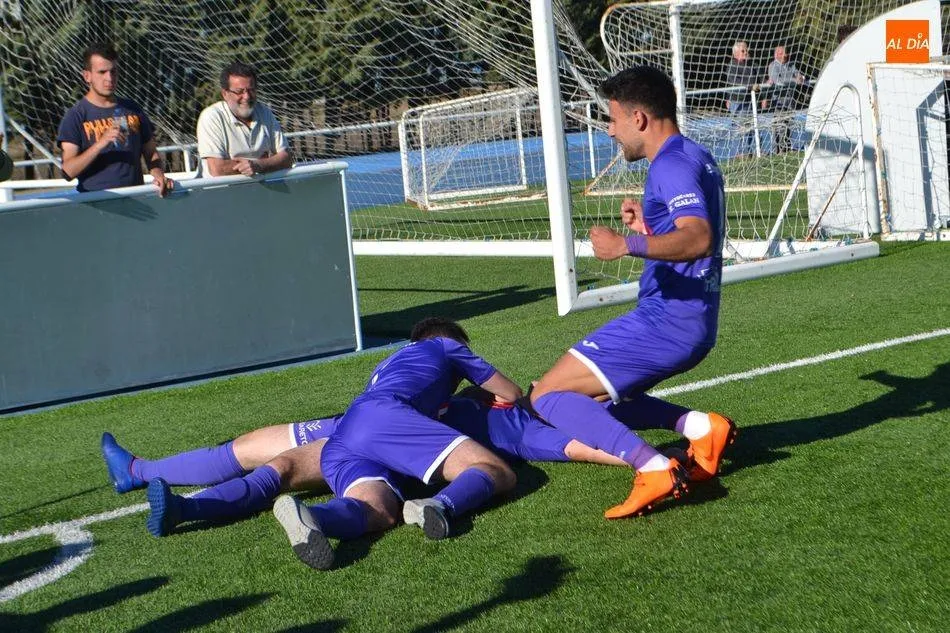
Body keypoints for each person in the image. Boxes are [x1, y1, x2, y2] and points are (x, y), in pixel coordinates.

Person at [528, 65, 736, 521]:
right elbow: (688, 237)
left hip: (668, 321)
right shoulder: (693, 155)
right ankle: (701, 428)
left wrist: (628, 244)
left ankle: (655, 467)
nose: (610, 130)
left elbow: (698, 237)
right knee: (599, 401)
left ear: (639, 119)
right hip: (689, 317)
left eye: (613, 119)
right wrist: (651, 226)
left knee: (548, 396)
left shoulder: (672, 166)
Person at [57, 43, 173, 196]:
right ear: (87, 76)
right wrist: (100, 144)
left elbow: (151, 152)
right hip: (97, 205)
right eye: (102, 72)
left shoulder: (132, 108)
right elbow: (68, 171)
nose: (109, 78)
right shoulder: (75, 116)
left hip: (137, 201)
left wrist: (158, 173)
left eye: (113, 71)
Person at [196, 62, 292, 177]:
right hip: (221, 193)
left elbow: (287, 158)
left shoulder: (265, 112)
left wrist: (257, 165)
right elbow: (217, 169)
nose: (247, 97)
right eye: (239, 92)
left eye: (251, 90)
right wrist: (260, 164)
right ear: (225, 93)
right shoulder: (211, 117)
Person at [764, 45, 805, 153]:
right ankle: (777, 150)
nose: (785, 55)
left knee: (789, 125)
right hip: (778, 102)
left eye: (785, 53)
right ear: (776, 55)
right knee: (779, 126)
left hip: (789, 100)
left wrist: (801, 77)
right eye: (782, 53)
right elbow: (778, 80)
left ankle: (786, 148)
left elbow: (799, 76)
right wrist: (794, 80)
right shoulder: (773, 66)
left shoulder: (791, 65)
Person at [724, 40, 762, 156]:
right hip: (738, 101)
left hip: (751, 100)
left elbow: (758, 78)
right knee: (740, 128)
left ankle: (750, 152)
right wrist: (751, 86)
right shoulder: (732, 65)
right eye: (743, 51)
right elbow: (735, 81)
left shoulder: (751, 64)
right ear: (735, 53)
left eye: (747, 50)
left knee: (751, 127)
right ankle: (739, 153)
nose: (746, 52)